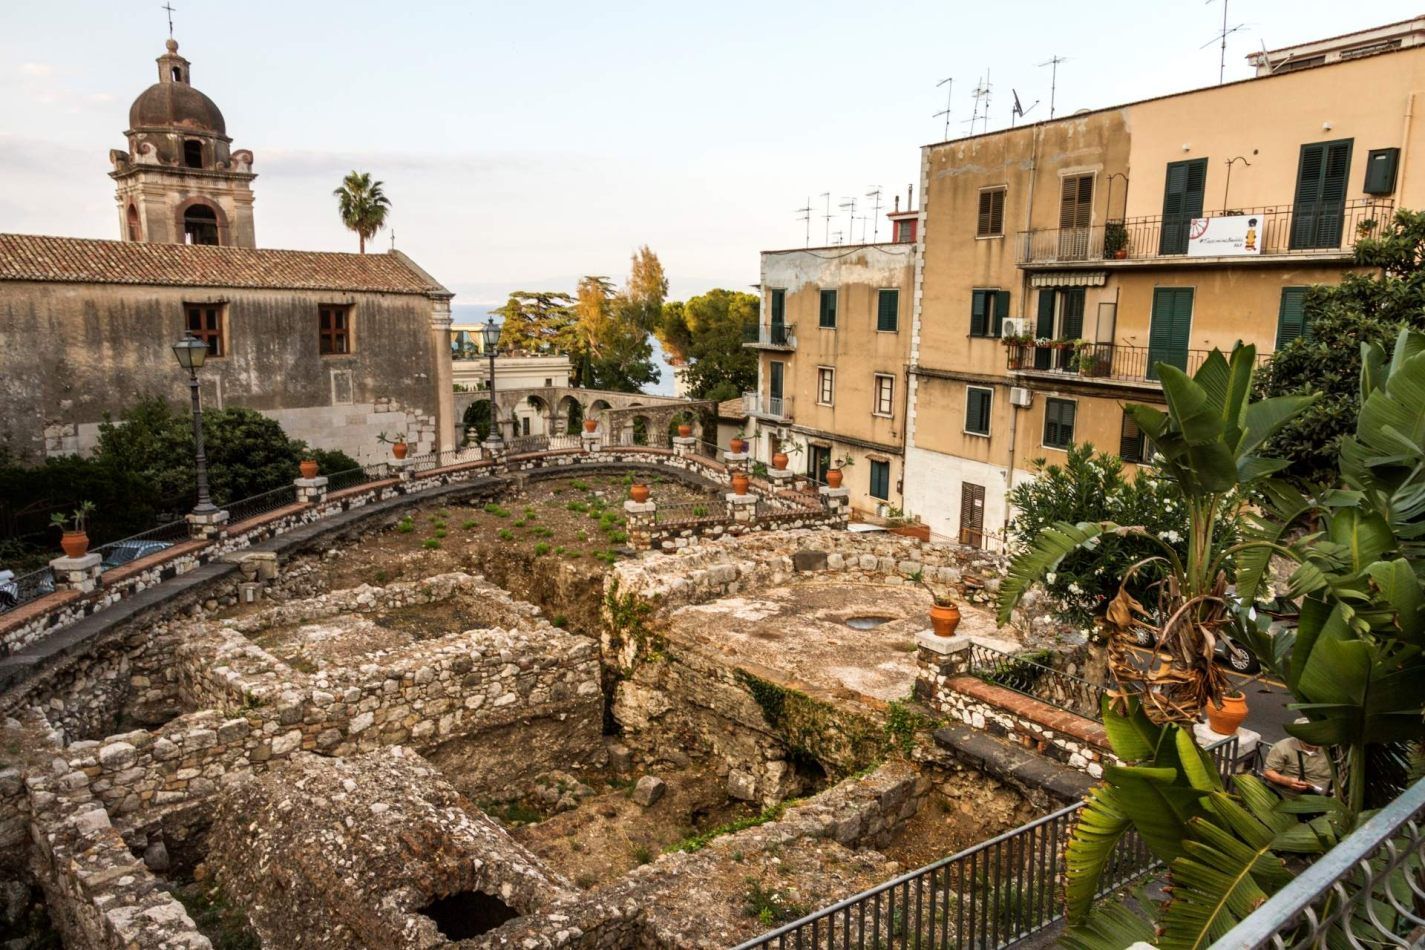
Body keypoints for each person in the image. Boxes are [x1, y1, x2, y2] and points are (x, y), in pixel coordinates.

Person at [1262, 720, 1333, 798]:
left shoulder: (1332, 749)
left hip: (1320, 799)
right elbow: (1268, 773)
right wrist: (1288, 781)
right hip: (1285, 797)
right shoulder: (1283, 747)